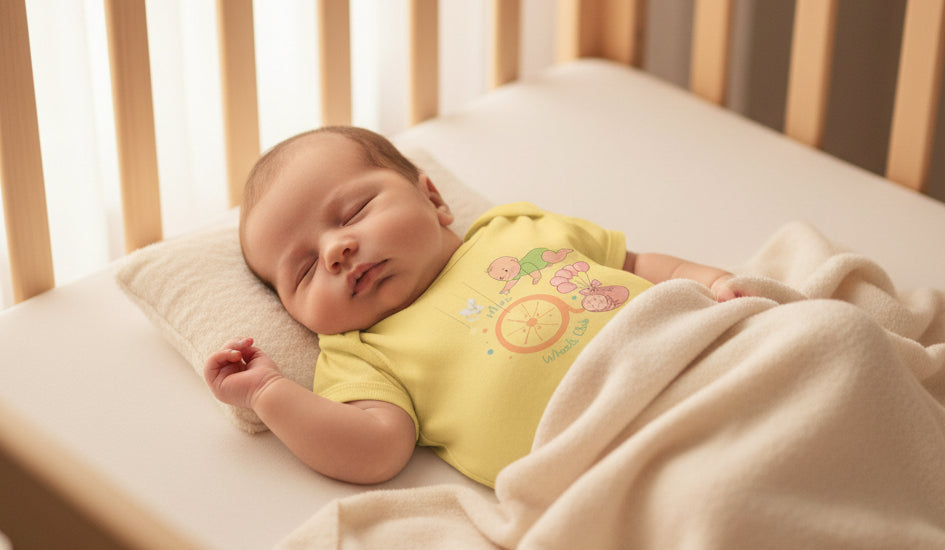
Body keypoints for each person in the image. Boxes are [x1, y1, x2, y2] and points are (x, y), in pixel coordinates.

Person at [205, 126, 740, 487]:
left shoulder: (515, 228)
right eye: (303, 271)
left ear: (434, 199)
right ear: (295, 315)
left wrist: (715, 284)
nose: (335, 251)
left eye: (355, 211)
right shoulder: (361, 354)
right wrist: (269, 393)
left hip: (702, 364)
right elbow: (373, 450)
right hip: (608, 463)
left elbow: (641, 262)